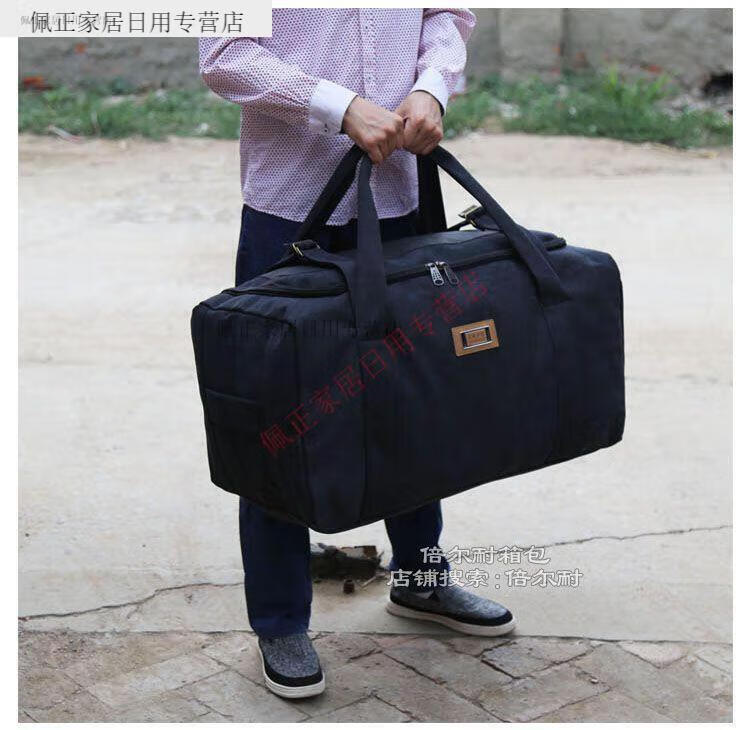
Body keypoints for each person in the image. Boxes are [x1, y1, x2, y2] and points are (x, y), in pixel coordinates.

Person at [198, 8, 515, 700]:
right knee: (280, 417)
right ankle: (280, 619)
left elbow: (445, 14)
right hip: (291, 206)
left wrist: (432, 86)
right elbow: (224, 54)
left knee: (414, 396)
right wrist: (338, 106)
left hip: (402, 195)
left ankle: (421, 578)